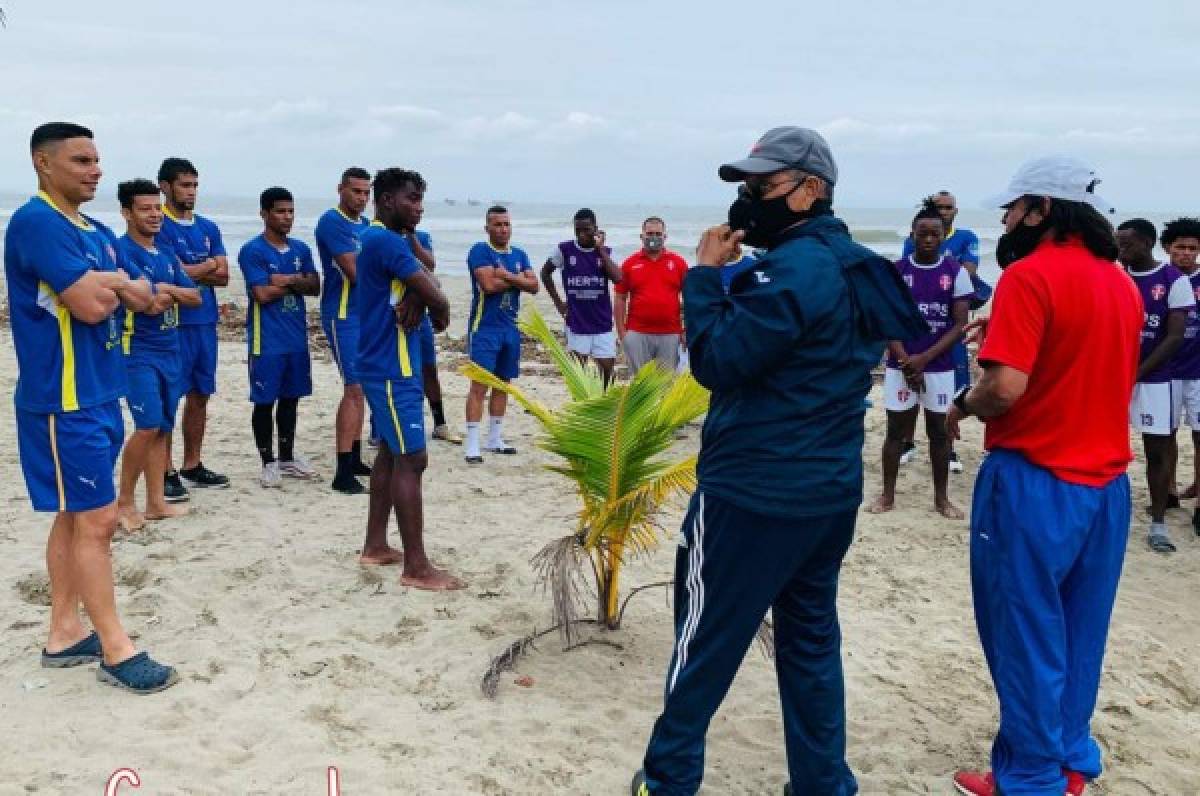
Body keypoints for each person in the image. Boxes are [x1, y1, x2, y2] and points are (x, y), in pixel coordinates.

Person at [631, 126, 926, 796]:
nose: (749, 199)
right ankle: (823, 783)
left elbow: (717, 362)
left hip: (754, 492)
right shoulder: (857, 264)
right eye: (745, 187)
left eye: (761, 186)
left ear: (809, 190)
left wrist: (705, 278)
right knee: (811, 642)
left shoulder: (792, 270)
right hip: (827, 493)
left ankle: (668, 779)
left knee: (704, 642)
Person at [946, 156, 1142, 796]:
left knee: (1024, 634)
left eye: (1014, 206)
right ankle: (1068, 760)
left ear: (1044, 210)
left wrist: (962, 405)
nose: (1005, 218)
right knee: (1080, 631)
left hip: (1035, 480)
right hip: (1107, 485)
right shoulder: (1121, 283)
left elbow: (1004, 388)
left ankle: (1029, 777)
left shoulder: (1028, 277)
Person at [6, 122, 177, 693]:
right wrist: (113, 285)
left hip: (100, 393)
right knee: (99, 523)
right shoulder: (35, 223)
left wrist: (111, 285)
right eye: (81, 160)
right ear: (43, 163)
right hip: (62, 399)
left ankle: (62, 631)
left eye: (97, 159)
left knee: (74, 514)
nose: (95, 169)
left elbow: (145, 296)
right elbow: (89, 305)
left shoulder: (97, 230)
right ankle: (116, 648)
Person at [355, 167, 463, 588]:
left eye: (421, 200)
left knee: (390, 453)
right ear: (385, 201)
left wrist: (421, 295)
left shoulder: (390, 240)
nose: (417, 208)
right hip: (390, 367)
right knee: (413, 459)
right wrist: (437, 306)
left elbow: (424, 279)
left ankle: (375, 545)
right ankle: (416, 567)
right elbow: (434, 289)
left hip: (392, 363)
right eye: (410, 200)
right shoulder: (383, 239)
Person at [868, 198, 973, 520]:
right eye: (922, 233)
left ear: (944, 236)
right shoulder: (897, 272)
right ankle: (887, 495)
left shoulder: (955, 273)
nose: (928, 239)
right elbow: (886, 321)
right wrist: (904, 360)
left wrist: (924, 358)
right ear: (912, 235)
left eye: (935, 234)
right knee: (895, 432)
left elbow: (959, 325)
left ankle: (941, 499)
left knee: (939, 433)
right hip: (901, 365)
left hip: (939, 366)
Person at [114, 179, 202, 532]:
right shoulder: (121, 252)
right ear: (127, 212)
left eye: (156, 208)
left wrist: (165, 289)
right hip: (137, 351)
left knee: (163, 428)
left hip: (171, 349)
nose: (154, 215)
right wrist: (165, 293)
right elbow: (146, 305)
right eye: (145, 209)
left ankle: (155, 503)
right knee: (147, 425)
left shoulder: (164, 254)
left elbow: (195, 296)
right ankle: (124, 503)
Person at [156, 157, 230, 501]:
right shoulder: (159, 224)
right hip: (173, 324)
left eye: (195, 185)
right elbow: (171, 274)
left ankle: (192, 463)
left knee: (201, 395)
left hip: (205, 322)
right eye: (185, 185)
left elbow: (225, 276)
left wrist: (194, 269)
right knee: (170, 397)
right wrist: (206, 266)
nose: (191, 192)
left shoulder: (209, 227)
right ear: (166, 187)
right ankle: (165, 469)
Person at [900, 190, 990, 473]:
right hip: (920, 323)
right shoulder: (912, 240)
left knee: (951, 387)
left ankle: (949, 450)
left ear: (956, 210)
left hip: (949, 325)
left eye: (949, 207)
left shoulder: (967, 237)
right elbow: (909, 276)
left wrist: (944, 273)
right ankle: (907, 443)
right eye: (939, 207)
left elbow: (969, 272)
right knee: (910, 385)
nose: (944, 211)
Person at [1118, 218, 1194, 553]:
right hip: (1113, 376)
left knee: (1157, 450)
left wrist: (1136, 372)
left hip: (1155, 379)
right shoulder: (1116, 277)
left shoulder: (1172, 280)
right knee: (1106, 445)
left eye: (1127, 243)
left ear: (1148, 243)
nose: (1121, 249)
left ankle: (1159, 523)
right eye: (1117, 243)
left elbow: (1174, 336)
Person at [237, 187, 321, 488]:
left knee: (291, 399)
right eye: (280, 211)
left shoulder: (300, 249)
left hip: (296, 339)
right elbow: (261, 294)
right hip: (266, 340)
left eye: (290, 211)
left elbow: (315, 285)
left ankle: (287, 456)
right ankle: (267, 462)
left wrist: (285, 280)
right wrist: (297, 283)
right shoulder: (253, 251)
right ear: (264, 214)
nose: (287, 217)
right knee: (264, 401)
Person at [465, 205, 539, 463]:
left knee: (503, 384)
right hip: (485, 328)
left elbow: (534, 286)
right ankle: (472, 443)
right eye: (497, 224)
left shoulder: (519, 254)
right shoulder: (480, 250)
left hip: (510, 328)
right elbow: (487, 285)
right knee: (479, 385)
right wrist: (518, 279)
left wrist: (506, 275)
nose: (503, 229)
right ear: (487, 228)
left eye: (506, 224)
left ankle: (494, 438)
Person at [316, 167, 374, 494]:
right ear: (341, 189)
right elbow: (355, 272)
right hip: (342, 314)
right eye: (356, 192)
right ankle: (341, 470)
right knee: (352, 387)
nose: (362, 199)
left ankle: (354, 456)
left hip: (364, 313)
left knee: (361, 386)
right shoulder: (332, 222)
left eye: (367, 193)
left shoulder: (366, 226)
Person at [540, 208, 621, 382]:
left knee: (607, 371)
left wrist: (600, 250)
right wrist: (558, 303)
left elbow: (618, 278)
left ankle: (604, 405)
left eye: (587, 230)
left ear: (596, 229)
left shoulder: (606, 251)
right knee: (578, 376)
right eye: (578, 230)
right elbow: (545, 273)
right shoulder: (564, 249)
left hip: (602, 323)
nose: (582, 234)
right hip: (577, 323)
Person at [405, 221, 463, 446]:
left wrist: (412, 238)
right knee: (397, 374)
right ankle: (378, 429)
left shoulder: (420, 236)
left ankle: (440, 423)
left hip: (421, 315)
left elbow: (430, 266)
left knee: (429, 369)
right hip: (396, 314)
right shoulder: (381, 234)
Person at [1162, 217, 1200, 528]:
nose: (1186, 253)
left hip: (1198, 372)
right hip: (1167, 372)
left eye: (1192, 248)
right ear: (1167, 248)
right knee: (1166, 434)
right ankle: (1169, 491)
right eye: (1180, 247)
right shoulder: (1163, 279)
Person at [615, 217, 690, 373]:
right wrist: (622, 331)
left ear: (665, 236)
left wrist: (686, 329)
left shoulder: (679, 263)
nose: (654, 237)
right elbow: (620, 298)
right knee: (639, 383)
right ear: (642, 236)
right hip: (637, 333)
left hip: (670, 334)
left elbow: (689, 297)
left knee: (665, 384)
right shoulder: (630, 263)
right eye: (649, 233)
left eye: (658, 233)